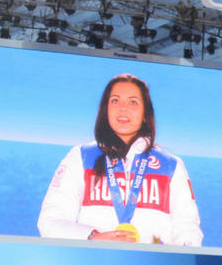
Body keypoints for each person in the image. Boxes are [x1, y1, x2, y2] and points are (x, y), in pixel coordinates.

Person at [37, 73, 203, 246]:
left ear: (145, 113)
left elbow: (187, 229)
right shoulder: (81, 156)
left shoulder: (171, 165)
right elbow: (50, 221)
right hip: (91, 264)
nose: (123, 108)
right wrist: (92, 237)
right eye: (115, 100)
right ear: (105, 109)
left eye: (133, 102)